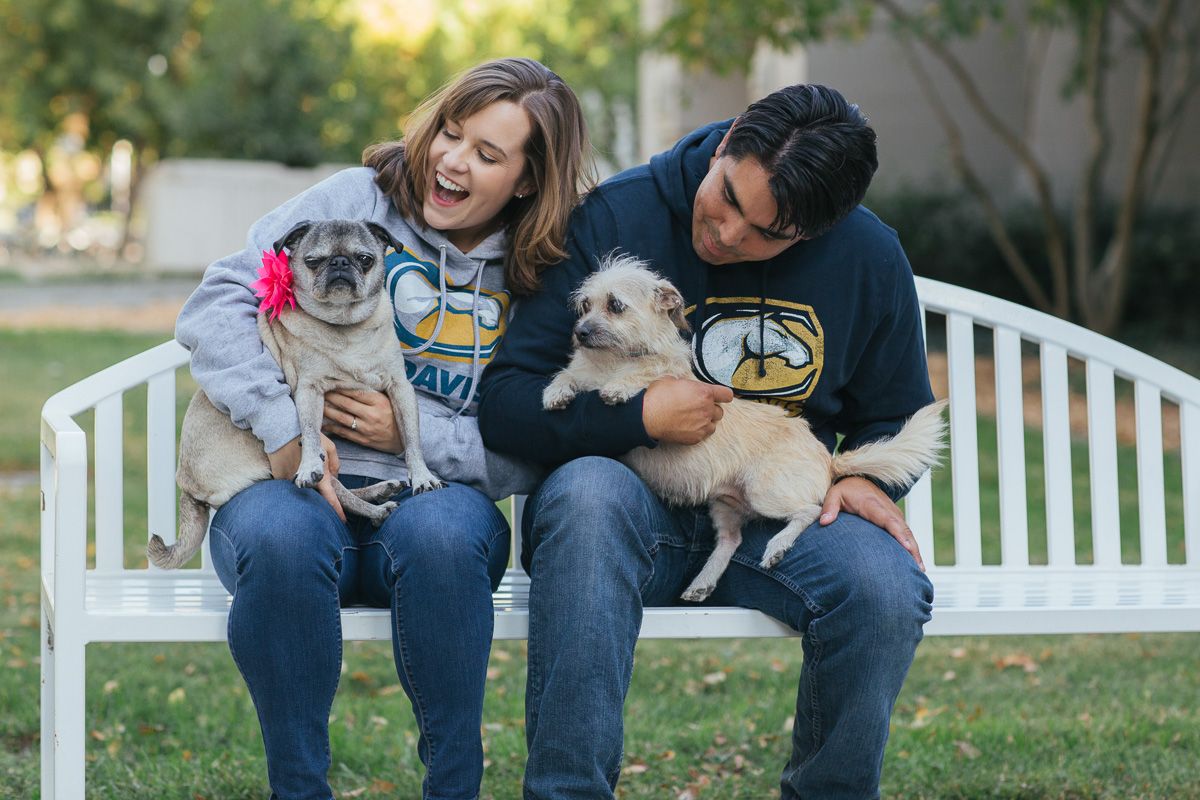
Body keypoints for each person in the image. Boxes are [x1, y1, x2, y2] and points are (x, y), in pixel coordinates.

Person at [477, 84, 936, 799]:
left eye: (766, 233)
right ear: (724, 147)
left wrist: (864, 480)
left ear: (820, 231)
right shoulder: (614, 217)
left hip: (767, 505)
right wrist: (637, 421)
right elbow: (507, 403)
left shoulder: (868, 257)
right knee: (587, 496)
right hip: (619, 512)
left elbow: (896, 414)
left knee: (883, 585)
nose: (726, 235)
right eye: (727, 197)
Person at [174, 57, 594, 800]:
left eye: (487, 155)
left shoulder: (543, 265)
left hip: (436, 494)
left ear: (528, 179)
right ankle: (298, 789)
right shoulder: (352, 200)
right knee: (280, 536)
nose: (453, 161)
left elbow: (546, 427)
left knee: (441, 541)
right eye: (452, 134)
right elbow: (216, 305)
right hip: (295, 486)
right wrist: (283, 428)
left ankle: (453, 787)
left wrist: (416, 433)